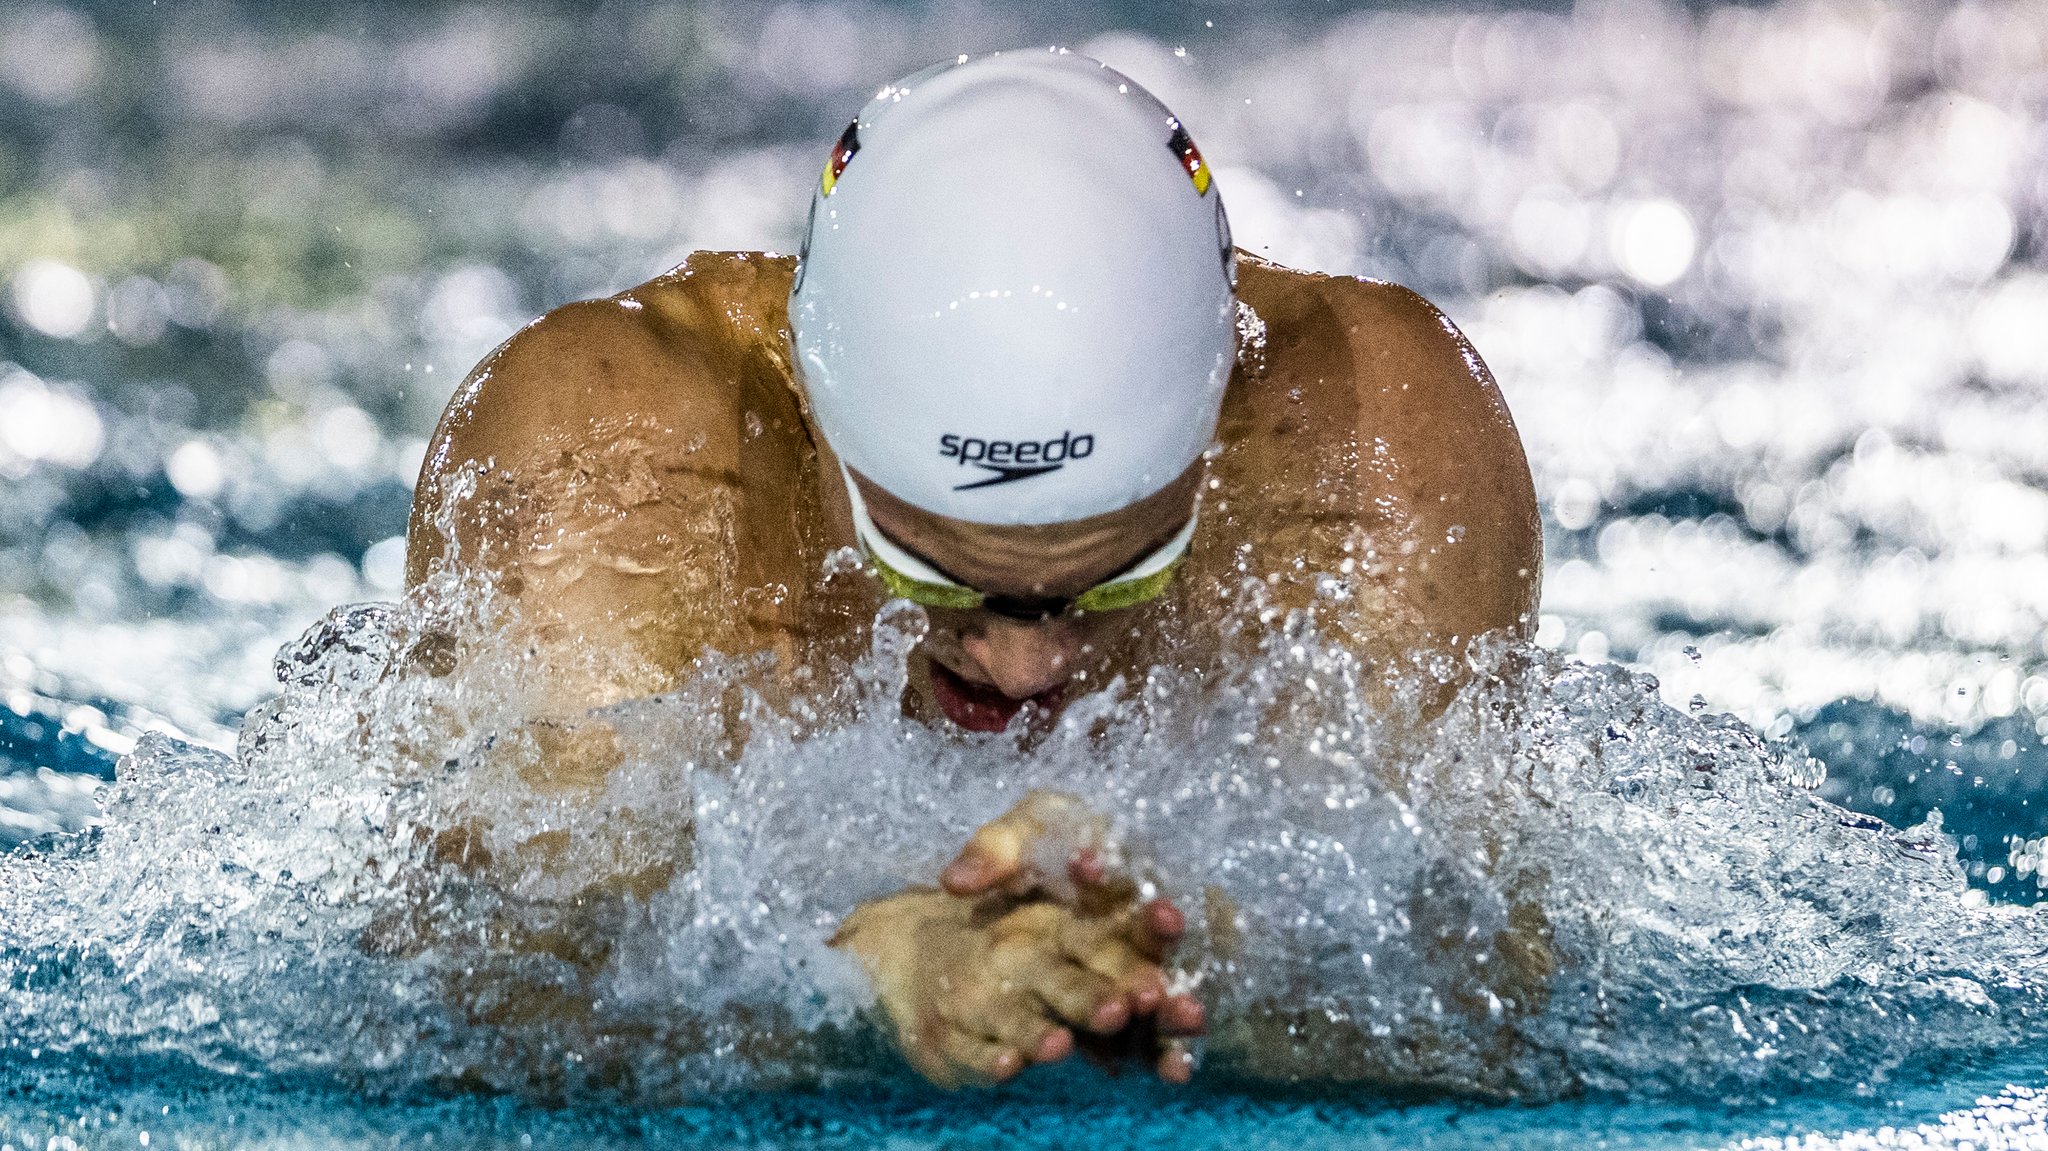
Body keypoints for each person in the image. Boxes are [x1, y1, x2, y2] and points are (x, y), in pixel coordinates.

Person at [404, 49, 1542, 1089]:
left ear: (1213, 442)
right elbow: (502, 995)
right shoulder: (610, 458)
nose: (1024, 662)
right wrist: (856, 972)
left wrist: (1169, 944)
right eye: (936, 576)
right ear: (814, 412)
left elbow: (1471, 983)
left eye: (1123, 575)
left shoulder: (1372, 442)